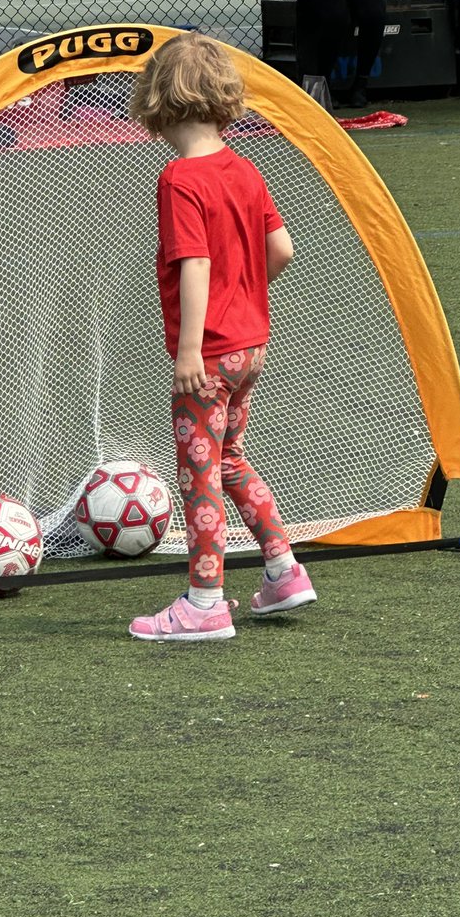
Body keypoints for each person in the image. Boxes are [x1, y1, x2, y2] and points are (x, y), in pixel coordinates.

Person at [127, 32, 316, 642]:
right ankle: (284, 571)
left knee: (199, 474)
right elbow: (282, 249)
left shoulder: (181, 178)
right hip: (251, 347)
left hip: (207, 356)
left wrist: (189, 350)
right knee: (228, 459)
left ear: (157, 99)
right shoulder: (244, 168)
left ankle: (206, 601)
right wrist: (246, 296)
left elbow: (196, 263)